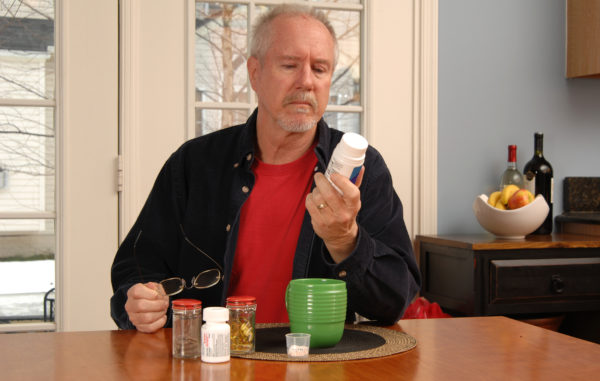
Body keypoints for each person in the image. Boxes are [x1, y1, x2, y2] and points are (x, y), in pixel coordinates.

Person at [110, 3, 420, 333]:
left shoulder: (363, 171)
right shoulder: (194, 163)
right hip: (213, 360)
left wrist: (346, 241)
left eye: (320, 69)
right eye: (289, 65)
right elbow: (136, 267)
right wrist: (139, 303)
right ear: (254, 73)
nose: (306, 82)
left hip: (316, 363)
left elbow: (394, 301)